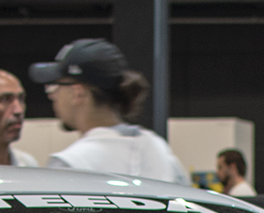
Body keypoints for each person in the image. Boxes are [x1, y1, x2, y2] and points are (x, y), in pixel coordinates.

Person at [32, 39, 189, 183]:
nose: (53, 95)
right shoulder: (158, 149)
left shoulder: (69, 165)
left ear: (77, 93)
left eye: (55, 86)